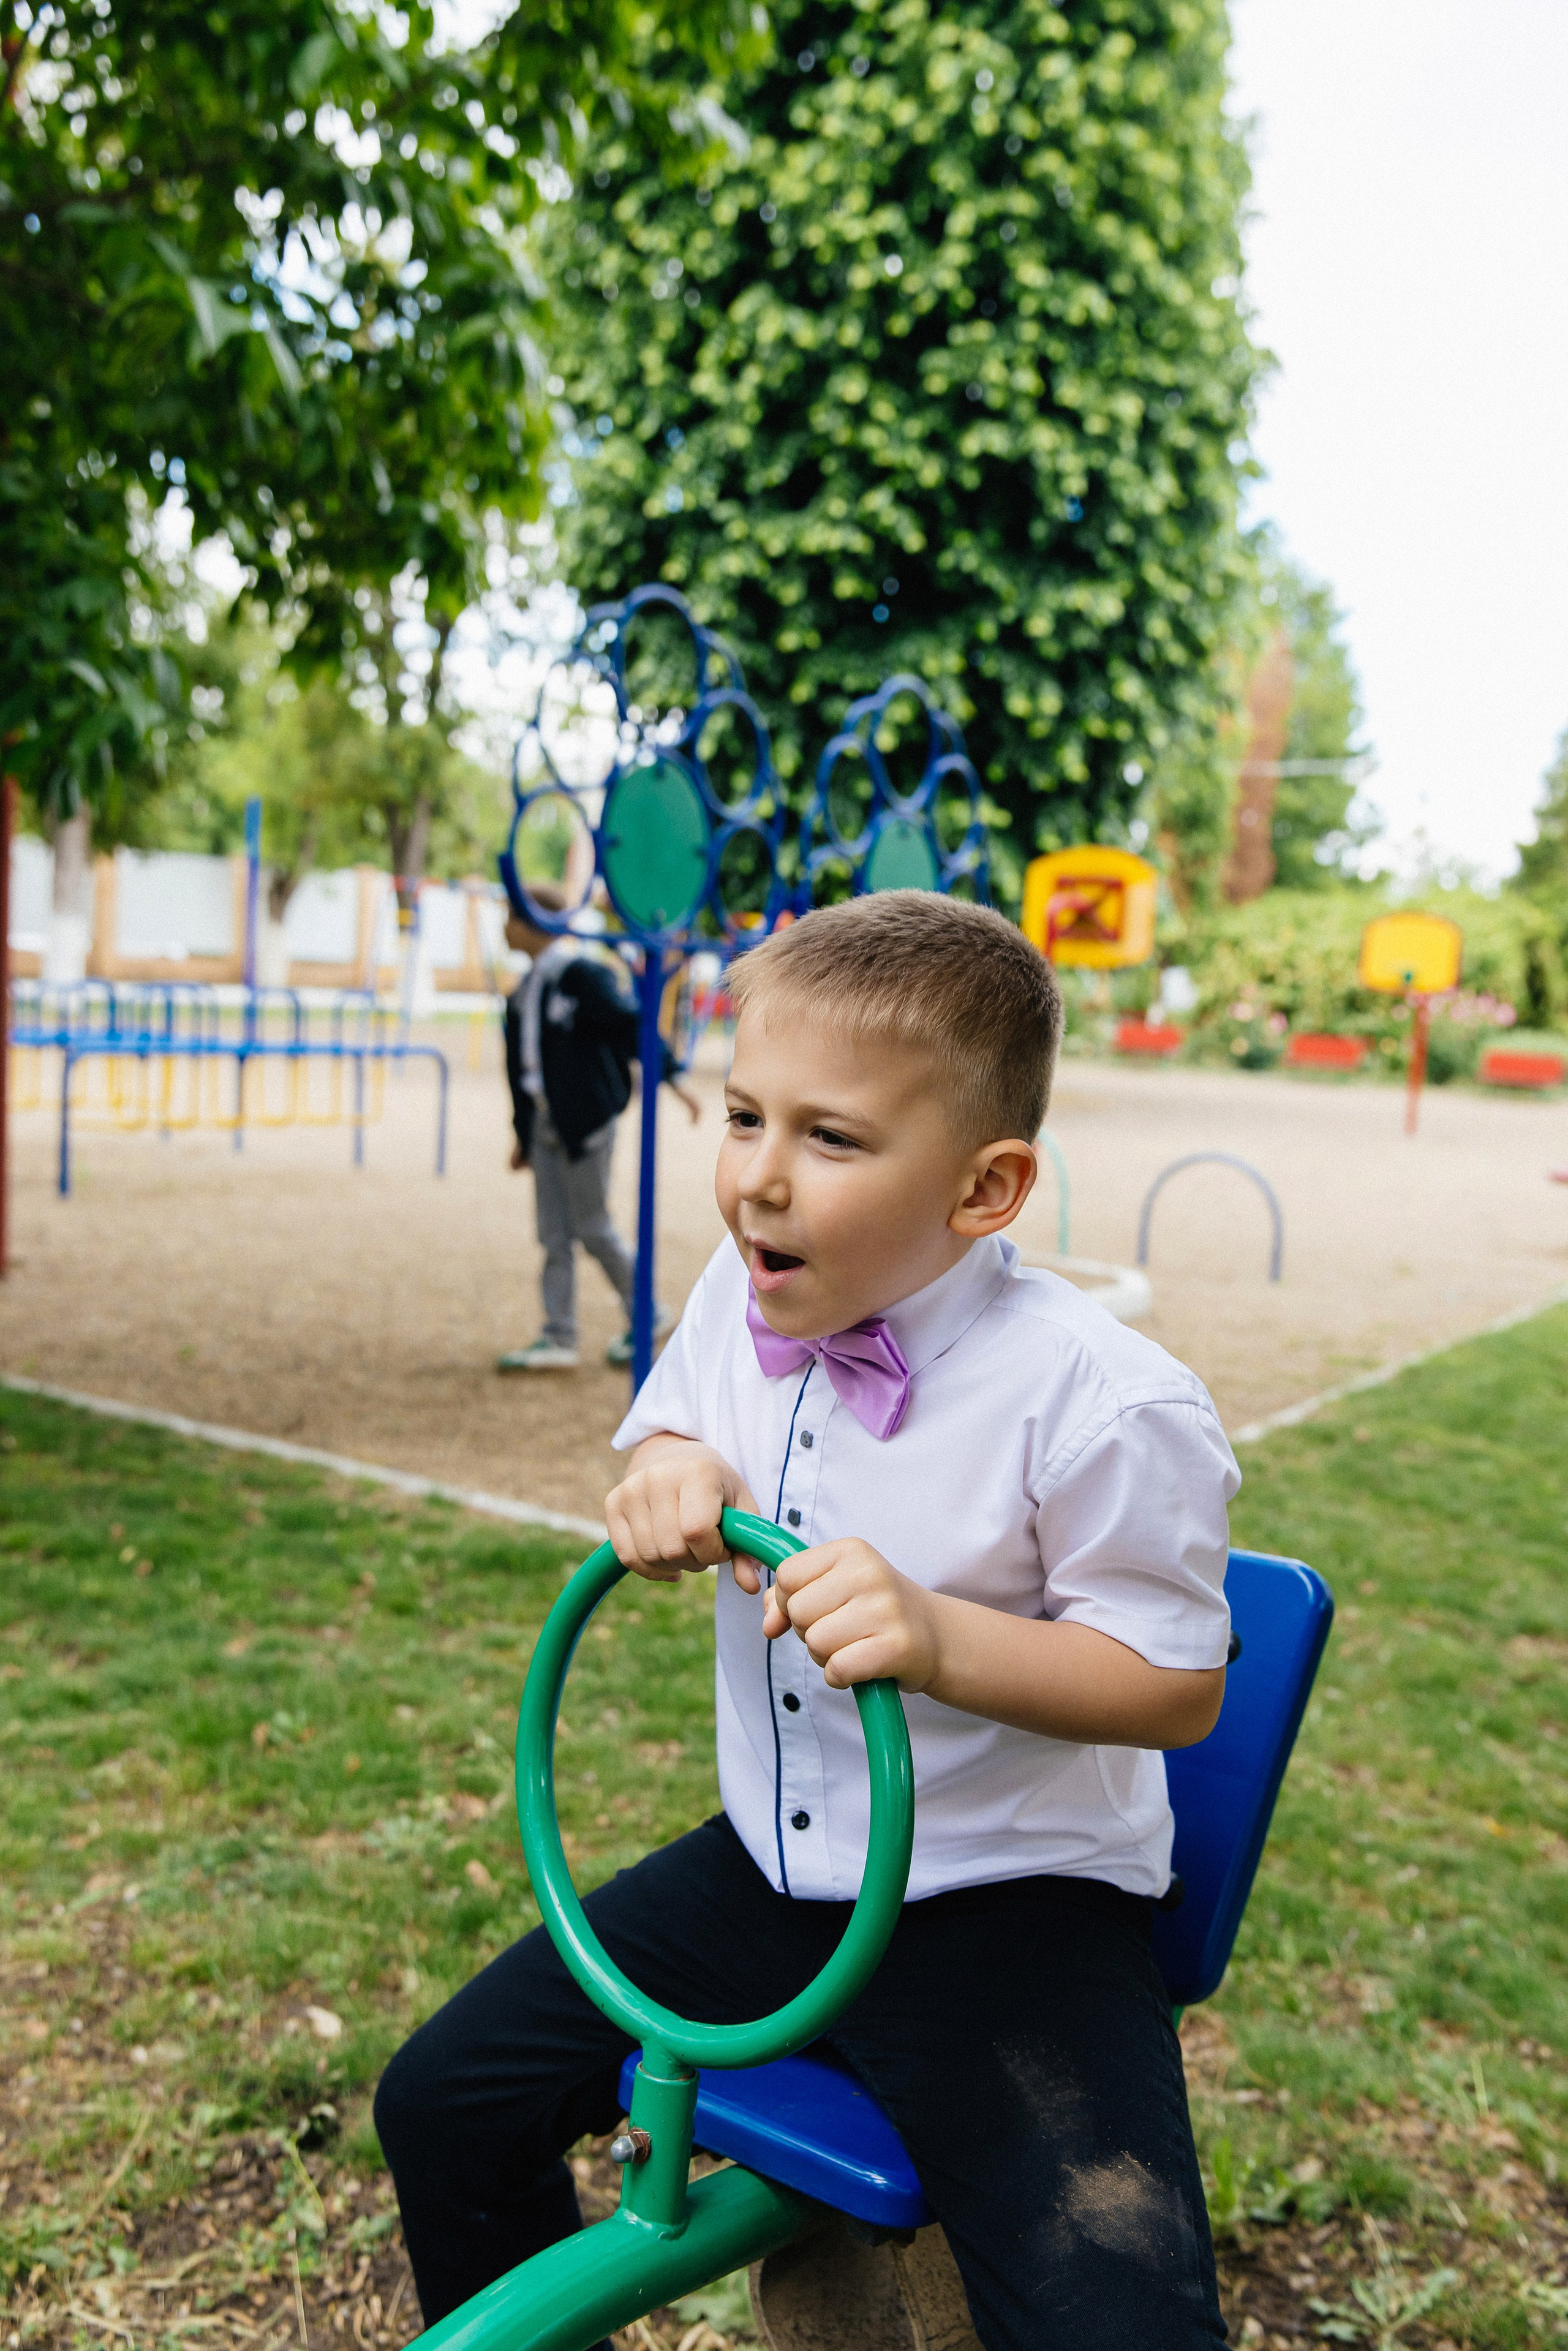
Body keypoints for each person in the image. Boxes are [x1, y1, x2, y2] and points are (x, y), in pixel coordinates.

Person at [378, 890, 1238, 2350]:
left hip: (1004, 1901)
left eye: (829, 1139)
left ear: (982, 1189)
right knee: (447, 2100)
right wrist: (668, 1478)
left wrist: (938, 1631)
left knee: (1116, 2314)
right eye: (739, 1116)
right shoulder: (742, 1291)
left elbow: (1170, 1684)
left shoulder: (1100, 1401)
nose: (757, 1182)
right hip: (768, 1877)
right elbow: (665, 1438)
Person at [497, 884, 700, 1373]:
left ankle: (647, 1311)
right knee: (553, 1233)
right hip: (548, 1123)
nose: (504, 927)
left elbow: (631, 1026)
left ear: (534, 923)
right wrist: (524, 1136)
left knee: (592, 1226)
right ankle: (559, 1334)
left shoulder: (581, 976)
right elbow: (522, 1072)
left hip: (586, 1122)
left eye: (511, 917)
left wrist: (671, 1076)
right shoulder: (524, 992)